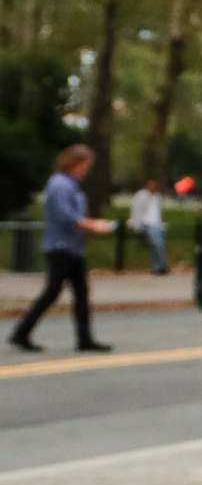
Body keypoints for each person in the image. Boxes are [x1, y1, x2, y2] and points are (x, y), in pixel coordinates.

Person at [8, 144, 116, 353]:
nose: (86, 170)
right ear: (73, 163)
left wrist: (91, 223)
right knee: (52, 291)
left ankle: (84, 338)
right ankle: (22, 332)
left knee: (80, 293)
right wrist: (94, 225)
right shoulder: (60, 185)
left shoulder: (71, 185)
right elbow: (67, 217)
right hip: (61, 247)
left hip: (73, 248)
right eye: (84, 166)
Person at [130, 177, 169, 274]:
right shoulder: (141, 195)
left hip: (158, 225)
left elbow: (159, 212)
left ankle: (156, 268)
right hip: (146, 224)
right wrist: (136, 226)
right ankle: (162, 266)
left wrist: (162, 223)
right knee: (158, 244)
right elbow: (136, 211)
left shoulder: (158, 197)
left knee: (156, 245)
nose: (152, 186)